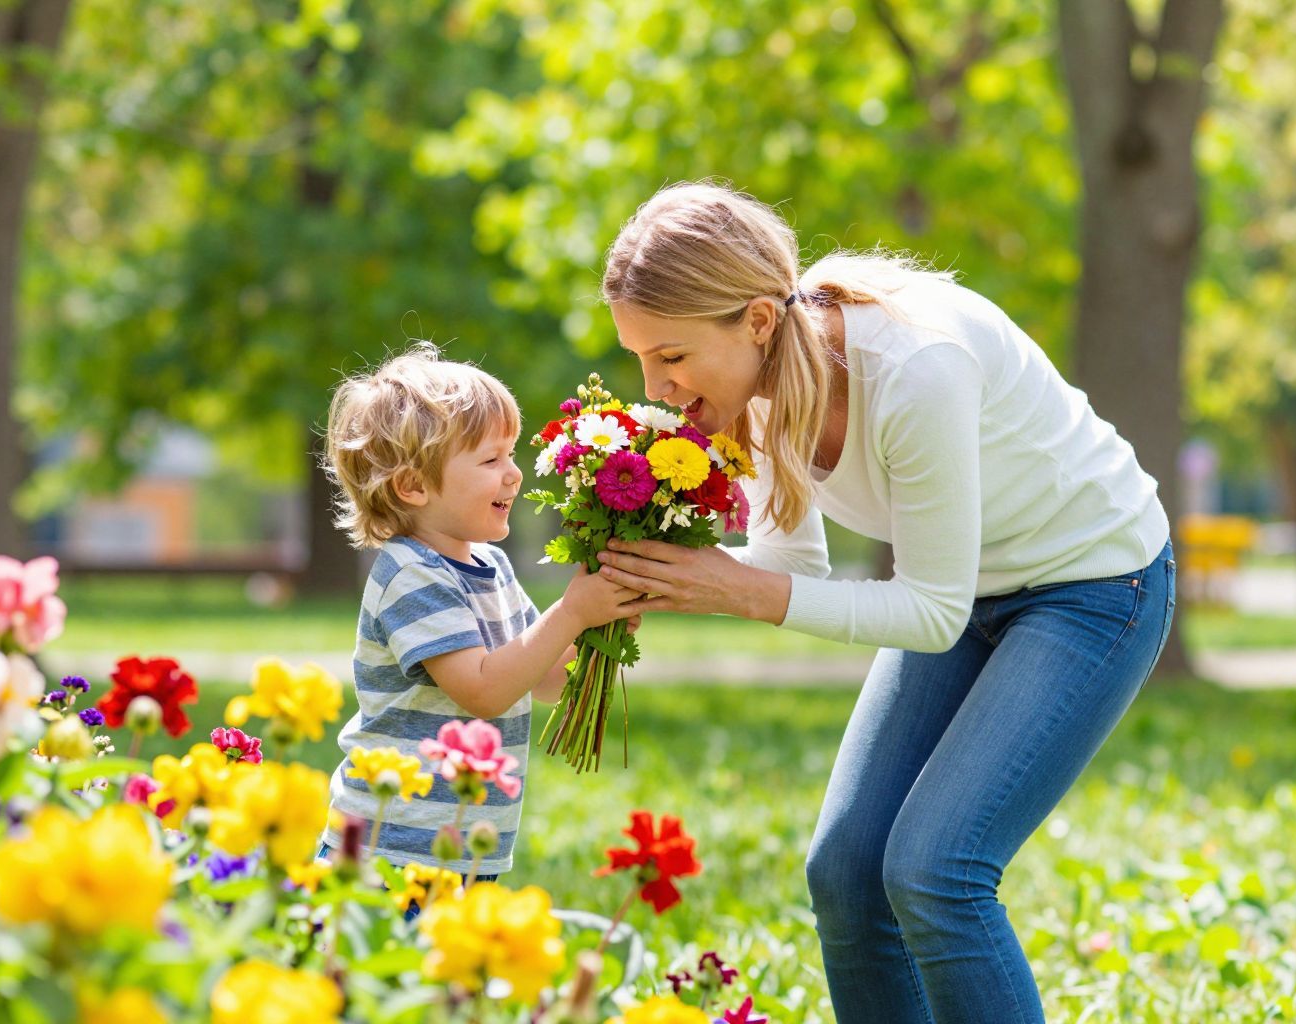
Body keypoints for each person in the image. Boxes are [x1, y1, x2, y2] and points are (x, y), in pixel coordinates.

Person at [591, 182, 1176, 1022]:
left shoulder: (915, 369)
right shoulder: (761, 384)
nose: (657, 387)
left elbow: (928, 614)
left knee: (936, 871)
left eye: (671, 357)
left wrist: (736, 591)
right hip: (964, 590)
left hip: (1092, 583)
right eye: (642, 358)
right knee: (845, 873)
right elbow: (787, 561)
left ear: (757, 320)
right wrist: (665, 573)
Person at [318, 346, 641, 881]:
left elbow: (544, 680)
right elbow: (486, 691)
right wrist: (571, 612)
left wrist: (594, 627)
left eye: (510, 455)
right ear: (413, 486)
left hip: (462, 849)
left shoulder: (492, 565)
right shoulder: (410, 574)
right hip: (390, 851)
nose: (514, 475)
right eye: (491, 460)